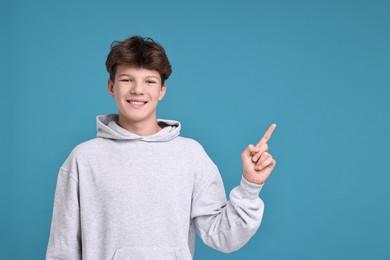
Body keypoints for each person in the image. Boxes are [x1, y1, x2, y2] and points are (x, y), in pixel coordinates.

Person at [46, 35, 277, 260]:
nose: (138, 90)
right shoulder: (84, 158)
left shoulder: (191, 155)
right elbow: (63, 249)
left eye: (149, 81)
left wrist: (250, 186)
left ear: (162, 90)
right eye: (127, 80)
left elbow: (223, 236)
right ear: (111, 86)